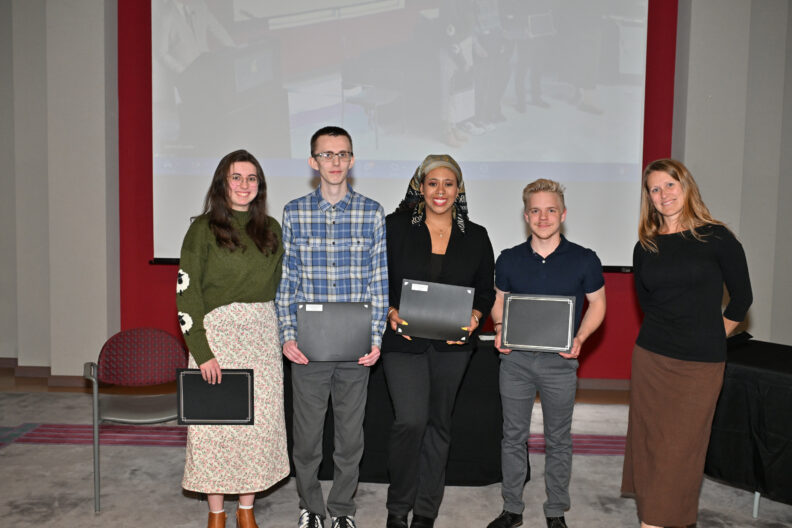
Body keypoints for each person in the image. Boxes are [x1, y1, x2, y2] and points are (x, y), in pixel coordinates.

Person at [621, 159, 752, 528]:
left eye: (669, 185)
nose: (663, 195)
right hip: (650, 359)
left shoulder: (717, 237)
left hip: (699, 364)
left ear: (686, 186)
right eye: (655, 189)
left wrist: (711, 336)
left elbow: (742, 298)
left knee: (680, 450)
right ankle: (653, 517)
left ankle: (655, 522)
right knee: (650, 446)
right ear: (648, 197)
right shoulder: (644, 246)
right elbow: (648, 305)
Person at [275, 126, 388, 528]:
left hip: (357, 349)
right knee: (305, 441)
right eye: (327, 154)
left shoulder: (372, 213)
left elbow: (379, 282)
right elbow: (286, 280)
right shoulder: (294, 212)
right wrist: (287, 335)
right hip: (308, 347)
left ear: (352, 160)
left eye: (342, 154)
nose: (335, 162)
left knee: (350, 439)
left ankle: (342, 510)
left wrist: (376, 339)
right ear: (313, 162)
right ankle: (310, 507)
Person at [177, 149, 289, 528]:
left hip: (260, 335)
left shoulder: (272, 229)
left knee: (257, 426)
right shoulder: (202, 229)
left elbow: (276, 286)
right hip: (217, 339)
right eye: (236, 178)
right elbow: (187, 294)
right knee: (214, 428)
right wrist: (202, 352)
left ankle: (246, 509)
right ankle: (216, 513)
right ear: (222, 184)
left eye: (252, 178)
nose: (244, 185)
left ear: (260, 186)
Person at [383, 154, 495, 528]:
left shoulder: (476, 236)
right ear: (421, 186)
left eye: (449, 183)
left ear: (459, 189)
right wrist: (390, 311)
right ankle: (398, 506)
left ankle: (426, 511)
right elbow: (377, 277)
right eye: (433, 183)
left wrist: (477, 317)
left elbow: (484, 292)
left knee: (439, 425)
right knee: (410, 422)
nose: (441, 191)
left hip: (454, 346)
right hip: (403, 342)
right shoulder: (394, 228)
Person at [486, 178, 606, 528]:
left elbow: (598, 304)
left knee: (558, 438)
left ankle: (556, 511)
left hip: (560, 363)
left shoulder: (585, 259)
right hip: (516, 361)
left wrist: (581, 337)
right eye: (536, 210)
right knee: (513, 436)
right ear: (526, 216)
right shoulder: (508, 259)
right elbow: (498, 301)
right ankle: (512, 508)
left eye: (550, 210)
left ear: (563, 214)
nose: (543, 217)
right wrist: (498, 328)